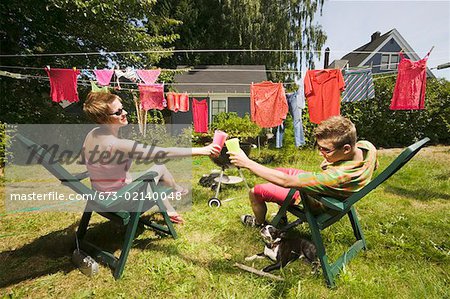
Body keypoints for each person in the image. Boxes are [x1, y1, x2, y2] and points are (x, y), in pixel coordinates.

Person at [82, 92, 220, 224]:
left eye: (122, 109)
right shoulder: (118, 144)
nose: (125, 113)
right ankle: (174, 197)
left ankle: (174, 199)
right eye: (118, 112)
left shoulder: (92, 134)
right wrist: (203, 150)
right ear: (102, 119)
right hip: (120, 201)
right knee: (159, 169)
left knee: (155, 173)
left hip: (101, 195)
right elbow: (166, 152)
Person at [228, 116, 378, 227]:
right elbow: (375, 165)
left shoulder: (336, 176)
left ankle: (259, 223)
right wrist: (334, 161)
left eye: (326, 149)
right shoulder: (367, 148)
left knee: (255, 192)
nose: (320, 153)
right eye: (319, 147)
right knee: (277, 172)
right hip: (326, 192)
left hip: (315, 201)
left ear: (346, 149)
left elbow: (286, 182)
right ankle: (281, 218)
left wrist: (247, 163)